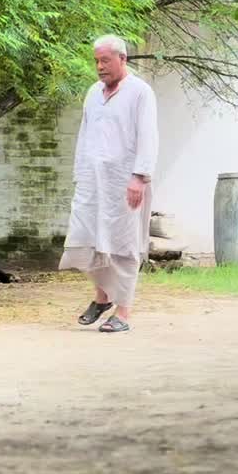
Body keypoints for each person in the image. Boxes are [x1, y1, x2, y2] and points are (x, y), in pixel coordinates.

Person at [59, 34, 158, 334]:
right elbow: (84, 135)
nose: (100, 67)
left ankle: (123, 312)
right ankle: (102, 298)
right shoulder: (93, 92)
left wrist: (139, 177)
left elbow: (148, 137)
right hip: (92, 181)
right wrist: (80, 175)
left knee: (124, 245)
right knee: (88, 238)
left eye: (105, 61)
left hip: (126, 182)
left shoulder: (140, 92)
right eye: (97, 61)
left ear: (122, 59)